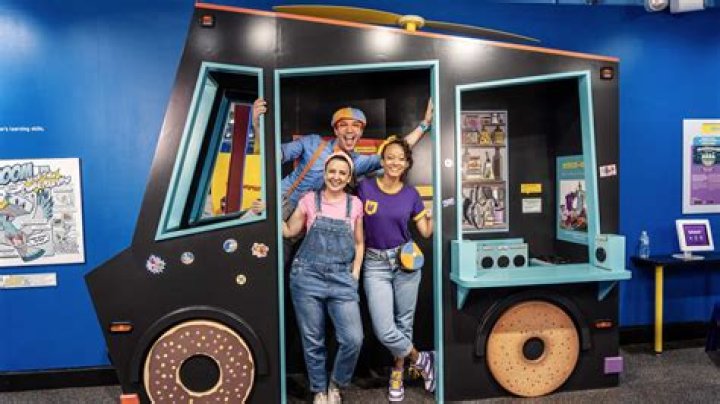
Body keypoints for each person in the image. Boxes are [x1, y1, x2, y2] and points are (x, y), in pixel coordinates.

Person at [252, 98, 433, 217]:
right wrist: (257, 125)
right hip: (280, 203)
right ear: (336, 130)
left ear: (361, 132)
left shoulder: (357, 162)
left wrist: (424, 125)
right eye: (343, 125)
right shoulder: (312, 143)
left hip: (311, 217)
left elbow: (396, 152)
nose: (350, 130)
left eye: (356, 125)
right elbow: (274, 155)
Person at [282, 152, 365, 404]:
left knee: (353, 339)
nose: (336, 177)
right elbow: (290, 231)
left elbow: (359, 242)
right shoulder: (309, 200)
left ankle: (336, 385)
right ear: (325, 173)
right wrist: (267, 210)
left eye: (342, 173)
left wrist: (355, 272)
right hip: (307, 276)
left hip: (342, 278)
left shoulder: (355, 204)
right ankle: (319, 389)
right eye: (332, 171)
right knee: (313, 340)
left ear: (348, 177)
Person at [356, 138, 434, 402]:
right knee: (384, 328)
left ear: (407, 163)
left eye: (401, 158)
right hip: (374, 263)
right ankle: (421, 359)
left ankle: (397, 374)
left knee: (404, 323)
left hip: (405, 262)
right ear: (382, 160)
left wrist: (434, 213)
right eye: (390, 157)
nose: (395, 162)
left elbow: (425, 232)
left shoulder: (411, 194)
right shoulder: (365, 188)